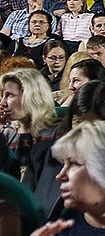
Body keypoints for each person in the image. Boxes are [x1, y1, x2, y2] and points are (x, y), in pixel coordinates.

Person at [3, 67, 64, 218]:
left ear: (30, 96)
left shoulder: (55, 135)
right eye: (2, 96)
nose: (3, 103)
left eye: (9, 95)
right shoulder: (7, 135)